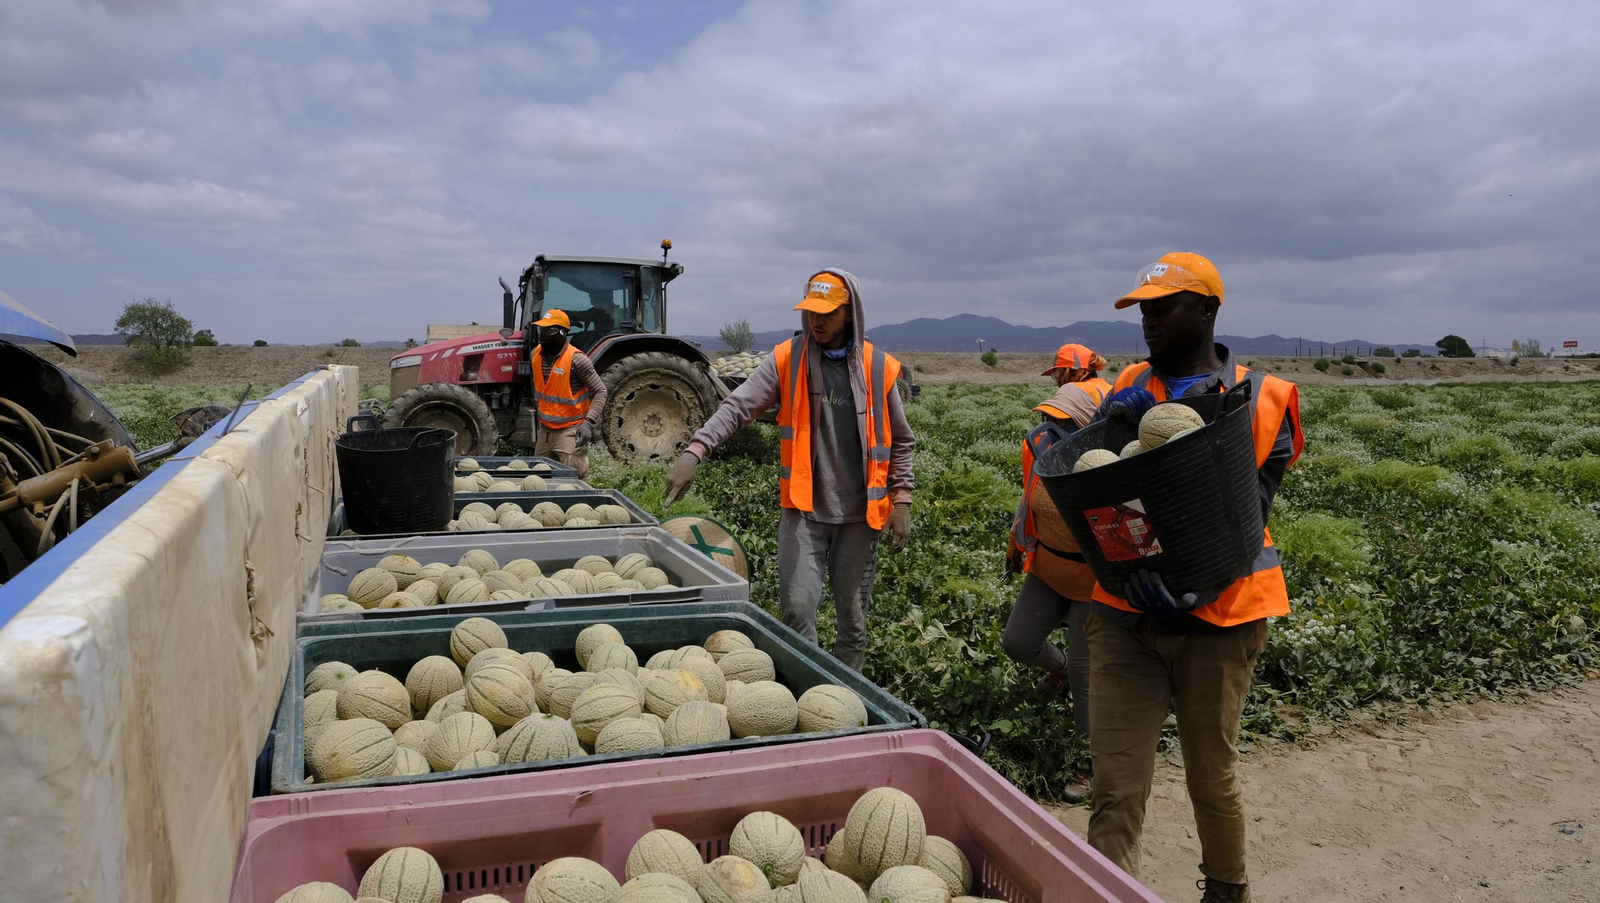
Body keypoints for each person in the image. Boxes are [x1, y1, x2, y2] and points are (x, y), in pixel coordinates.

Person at [1083, 253, 1302, 903]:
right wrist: (1103, 427)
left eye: (1163, 305)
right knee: (1115, 783)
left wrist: (1189, 580)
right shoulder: (1129, 387)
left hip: (1222, 616)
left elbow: (1241, 519)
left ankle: (1227, 892)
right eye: (1142, 307)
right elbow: (1102, 494)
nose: (1148, 319)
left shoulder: (1264, 400)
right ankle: (1104, 891)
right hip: (1126, 615)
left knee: (1211, 775)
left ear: (1207, 309)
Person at [663, 270, 915, 670]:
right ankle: (812, 693)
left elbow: (900, 440)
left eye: (827, 314)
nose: (817, 321)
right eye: (811, 312)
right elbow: (738, 406)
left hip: (860, 517)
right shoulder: (787, 358)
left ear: (849, 313)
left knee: (853, 619)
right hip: (803, 512)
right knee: (797, 612)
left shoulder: (878, 367)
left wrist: (901, 499)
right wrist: (695, 450)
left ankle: (847, 702)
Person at [1001, 343, 1111, 804]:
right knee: (1017, 642)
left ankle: (1092, 764)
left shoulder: (1109, 456)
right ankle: (1058, 670)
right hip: (1048, 567)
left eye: (1063, 420)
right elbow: (1031, 497)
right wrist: (1017, 539)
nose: (1053, 425)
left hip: (1091, 580)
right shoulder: (1042, 442)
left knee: (1090, 674)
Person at [528, 308, 608, 479]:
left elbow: (600, 391)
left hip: (570, 433)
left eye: (548, 330)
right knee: (538, 479)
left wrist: (588, 423)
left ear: (562, 332)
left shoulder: (577, 360)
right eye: (541, 329)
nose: (542, 334)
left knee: (573, 480)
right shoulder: (535, 355)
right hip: (545, 432)